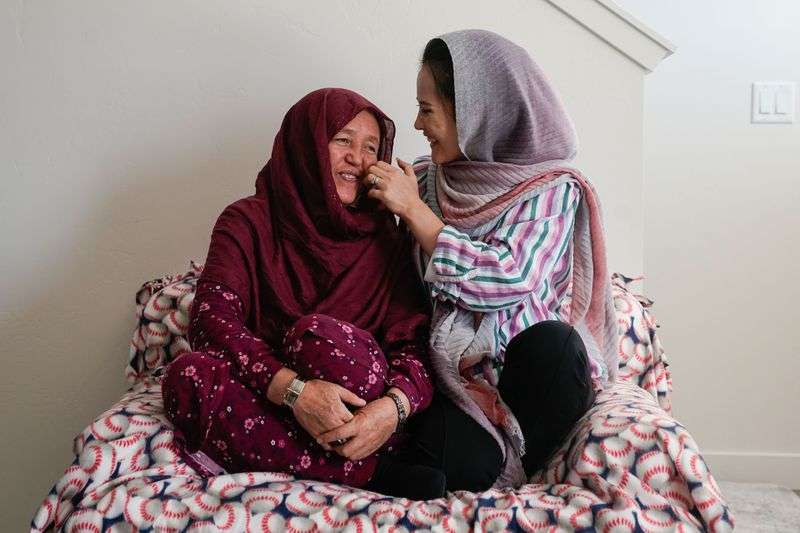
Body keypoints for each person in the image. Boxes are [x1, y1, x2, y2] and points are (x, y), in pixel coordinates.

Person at [351, 30, 619, 490]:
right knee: (456, 464)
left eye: (428, 110)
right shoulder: (423, 178)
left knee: (556, 348)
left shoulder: (551, 188)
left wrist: (414, 212)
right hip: (452, 378)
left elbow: (506, 277)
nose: (417, 123)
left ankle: (517, 457)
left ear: (476, 115)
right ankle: (495, 463)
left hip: (525, 378)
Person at [162, 88, 446, 500]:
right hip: (272, 396)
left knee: (319, 338)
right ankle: (372, 475)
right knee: (187, 377)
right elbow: (212, 322)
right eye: (343, 140)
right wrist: (295, 392)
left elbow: (413, 339)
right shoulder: (246, 222)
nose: (358, 158)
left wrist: (392, 408)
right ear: (306, 144)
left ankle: (307, 453)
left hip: (360, 413)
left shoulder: (386, 235)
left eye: (371, 147)